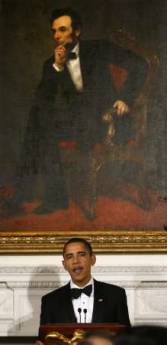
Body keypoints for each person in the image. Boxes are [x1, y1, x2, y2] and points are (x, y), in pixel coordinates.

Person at [5, 7, 148, 216]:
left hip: (106, 119)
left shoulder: (99, 48)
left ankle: (36, 194)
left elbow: (140, 64)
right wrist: (57, 68)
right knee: (38, 118)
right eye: (54, 31)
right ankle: (48, 196)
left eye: (62, 30)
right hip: (77, 123)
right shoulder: (51, 63)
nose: (57, 36)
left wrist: (124, 98)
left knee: (40, 123)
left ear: (77, 31)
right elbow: (42, 100)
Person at [36, 237, 130, 345]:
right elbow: (44, 339)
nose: (76, 261)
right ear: (65, 264)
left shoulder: (115, 295)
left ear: (92, 259)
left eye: (81, 254)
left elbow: (127, 337)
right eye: (69, 257)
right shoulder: (50, 301)